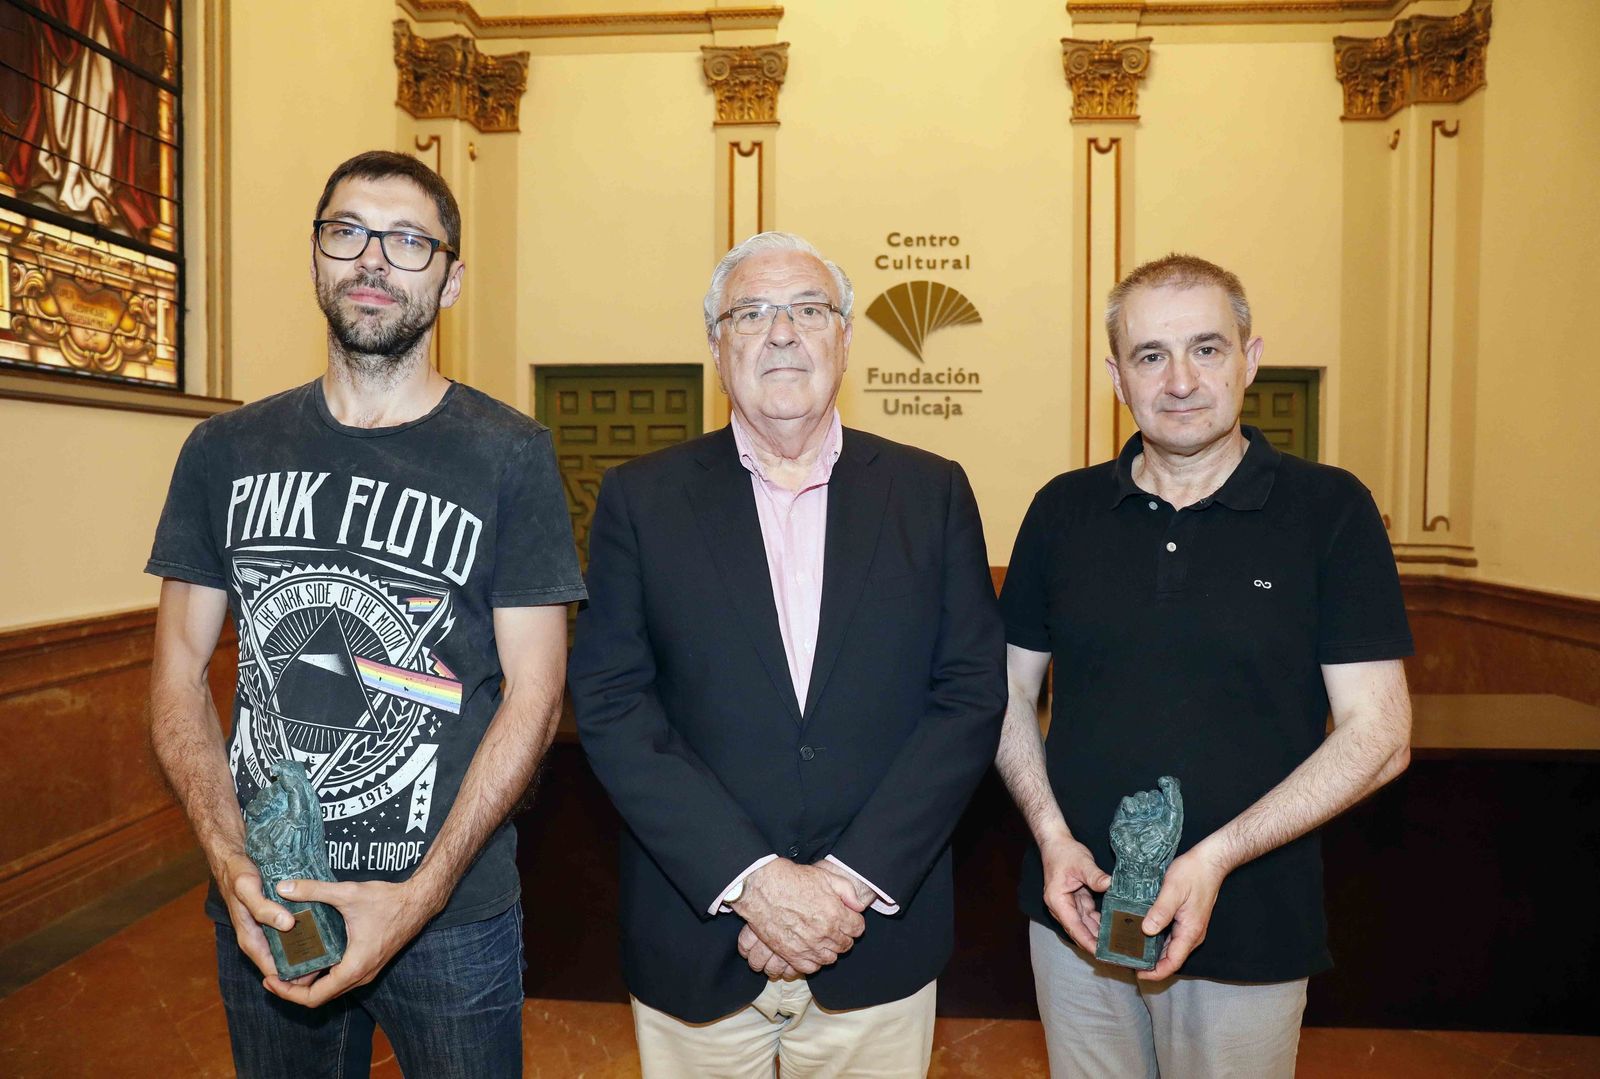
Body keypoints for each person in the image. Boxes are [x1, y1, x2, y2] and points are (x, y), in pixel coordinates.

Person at [146, 150, 585, 1077]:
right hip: (270, 903)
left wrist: (418, 897)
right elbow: (178, 673)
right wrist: (229, 864)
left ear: (451, 278)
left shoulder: (511, 456)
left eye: (408, 241)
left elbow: (536, 695)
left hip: (451, 917)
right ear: (316, 259)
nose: (373, 259)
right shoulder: (223, 450)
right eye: (346, 232)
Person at [568, 231, 1006, 1077]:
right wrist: (754, 882)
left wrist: (846, 884)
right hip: (697, 935)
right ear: (716, 343)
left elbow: (968, 696)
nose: (781, 332)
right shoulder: (639, 498)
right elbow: (616, 704)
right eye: (752, 312)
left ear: (845, 338)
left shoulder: (932, 491)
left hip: (877, 933)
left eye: (808, 309)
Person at [995, 253, 1413, 1078]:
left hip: (1250, 920)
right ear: (1117, 377)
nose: (1179, 379)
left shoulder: (1330, 510)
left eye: (1207, 349)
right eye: (1151, 355)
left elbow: (1382, 732)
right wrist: (1049, 834)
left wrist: (1215, 856)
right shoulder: (1061, 510)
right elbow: (1006, 690)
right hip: (1077, 915)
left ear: (1251, 358)